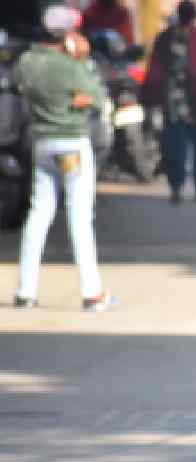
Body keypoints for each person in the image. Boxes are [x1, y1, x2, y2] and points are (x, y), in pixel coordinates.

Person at [13, 5, 114, 312]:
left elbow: (22, 87)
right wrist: (82, 61)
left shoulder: (27, 62)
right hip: (71, 144)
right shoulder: (70, 65)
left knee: (39, 211)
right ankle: (92, 292)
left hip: (42, 142)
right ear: (68, 34)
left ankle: (25, 291)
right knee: (79, 216)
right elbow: (95, 96)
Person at [142, 1, 196, 204]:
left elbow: (155, 71)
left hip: (175, 102)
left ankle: (176, 188)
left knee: (175, 145)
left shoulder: (166, 37)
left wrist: (148, 98)